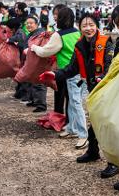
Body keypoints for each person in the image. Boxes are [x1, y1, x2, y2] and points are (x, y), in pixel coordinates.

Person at [39, 13, 114, 152]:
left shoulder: (106, 43)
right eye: (84, 25)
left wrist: (102, 77)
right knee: (94, 118)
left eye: (91, 25)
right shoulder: (79, 45)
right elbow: (72, 68)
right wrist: (54, 74)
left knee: (105, 123)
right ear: (79, 27)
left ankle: (111, 162)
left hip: (105, 88)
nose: (88, 28)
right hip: (91, 87)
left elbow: (111, 64)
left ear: (97, 26)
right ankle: (92, 151)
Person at [32, 8, 85, 144]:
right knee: (72, 100)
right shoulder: (77, 32)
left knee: (75, 102)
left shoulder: (59, 35)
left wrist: (34, 48)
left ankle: (82, 134)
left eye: (56, 16)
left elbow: (46, 52)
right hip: (80, 70)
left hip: (68, 72)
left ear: (60, 19)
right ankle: (71, 128)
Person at [19, 16, 47, 113]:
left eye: (31, 23)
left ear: (36, 24)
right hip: (31, 61)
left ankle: (41, 104)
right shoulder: (32, 33)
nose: (29, 25)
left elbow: (41, 47)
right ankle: (34, 100)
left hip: (38, 61)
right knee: (31, 81)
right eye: (27, 23)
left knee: (39, 83)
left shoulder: (40, 33)